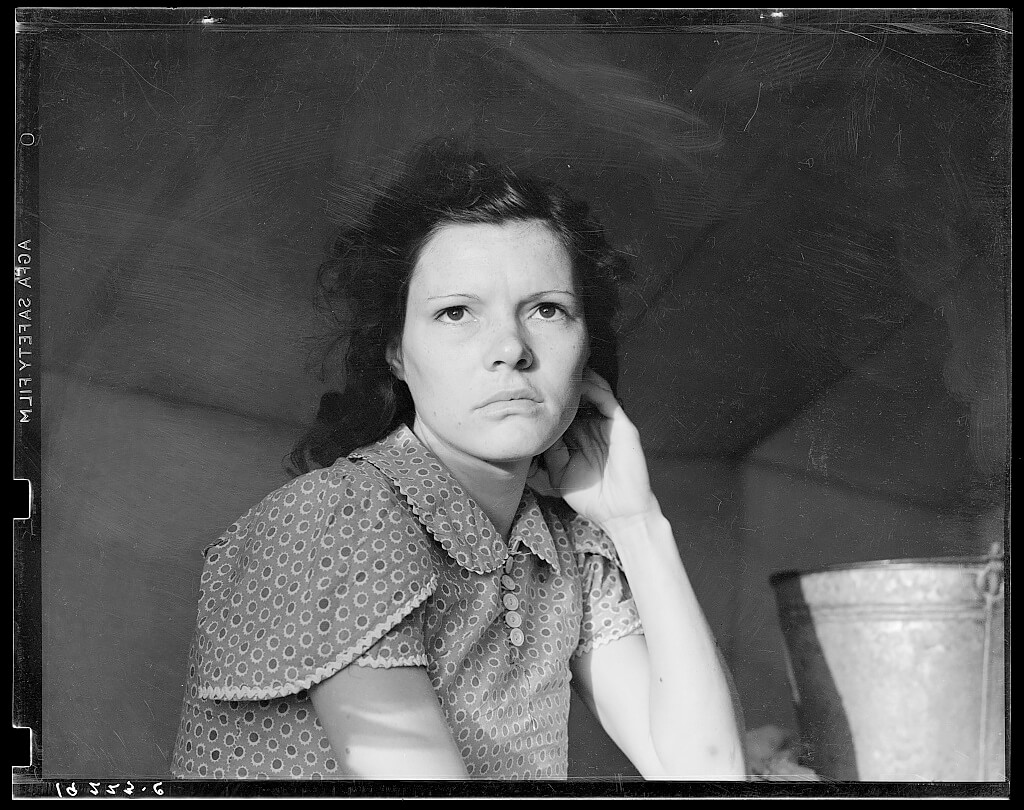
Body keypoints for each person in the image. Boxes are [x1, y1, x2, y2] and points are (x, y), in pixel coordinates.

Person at [170, 142, 746, 780]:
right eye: (455, 313)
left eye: (547, 310)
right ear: (396, 352)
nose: (510, 348)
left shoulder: (563, 546)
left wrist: (637, 522)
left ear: (586, 349)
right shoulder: (334, 521)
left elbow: (707, 777)